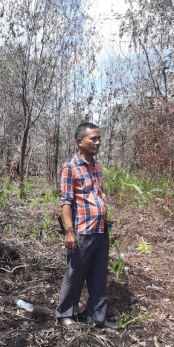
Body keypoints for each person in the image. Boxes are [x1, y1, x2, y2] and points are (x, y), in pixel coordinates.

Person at [55, 123, 118, 329]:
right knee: (75, 275)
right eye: (93, 139)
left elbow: (97, 196)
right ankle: (65, 315)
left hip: (100, 229)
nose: (97, 142)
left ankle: (97, 318)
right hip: (81, 231)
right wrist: (69, 232)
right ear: (79, 142)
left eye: (99, 138)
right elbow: (66, 201)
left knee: (99, 276)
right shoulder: (70, 167)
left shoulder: (97, 166)